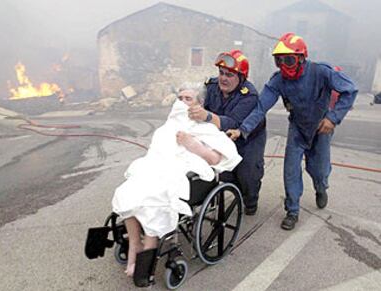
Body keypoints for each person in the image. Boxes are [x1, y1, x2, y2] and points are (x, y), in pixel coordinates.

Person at [227, 32, 358, 230]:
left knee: (318, 170)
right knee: (290, 170)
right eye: (279, 61)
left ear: (301, 58)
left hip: (321, 128)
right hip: (297, 128)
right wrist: (242, 129)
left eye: (288, 60)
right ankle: (292, 211)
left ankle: (321, 188)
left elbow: (350, 89)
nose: (284, 66)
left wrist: (333, 118)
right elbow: (260, 108)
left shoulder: (321, 71)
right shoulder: (278, 80)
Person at [112, 82, 242, 277]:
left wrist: (192, 144)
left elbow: (216, 158)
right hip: (158, 167)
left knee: (154, 196)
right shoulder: (167, 127)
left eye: (188, 99)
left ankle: (149, 242)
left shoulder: (206, 128)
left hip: (187, 175)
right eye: (179, 98)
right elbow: (156, 152)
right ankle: (135, 243)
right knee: (127, 191)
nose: (182, 103)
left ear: (200, 104)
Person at [188, 49, 266, 216]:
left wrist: (207, 116)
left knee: (247, 172)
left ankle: (250, 200)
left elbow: (233, 122)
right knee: (215, 168)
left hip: (247, 138)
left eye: (230, 75)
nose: (223, 78)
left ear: (241, 78)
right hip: (219, 136)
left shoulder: (249, 95)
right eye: (221, 73)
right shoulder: (211, 86)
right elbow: (198, 101)